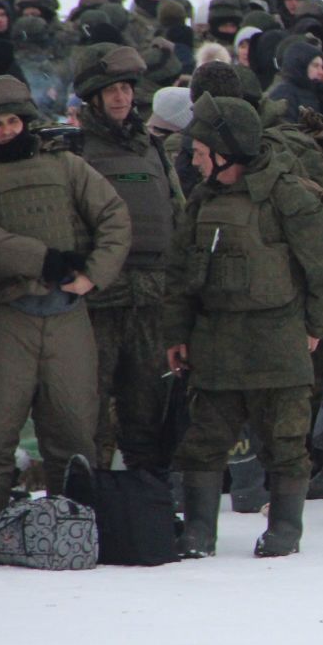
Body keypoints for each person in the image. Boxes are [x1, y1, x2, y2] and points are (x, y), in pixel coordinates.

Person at [0, 76, 131, 548]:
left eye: (13, 121)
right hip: (5, 317)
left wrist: (93, 275)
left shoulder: (66, 166)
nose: (6, 131)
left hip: (67, 316)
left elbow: (114, 217)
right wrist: (42, 260)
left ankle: (78, 532)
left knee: (73, 435)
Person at [163, 96, 323, 558]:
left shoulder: (286, 195)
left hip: (278, 342)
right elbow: (181, 275)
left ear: (228, 151)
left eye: (202, 150)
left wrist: (315, 327)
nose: (194, 158)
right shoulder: (202, 201)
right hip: (216, 343)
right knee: (203, 442)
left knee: (285, 442)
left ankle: (285, 529)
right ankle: (200, 532)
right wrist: (177, 335)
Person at [74, 47, 185, 472]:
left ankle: (147, 501)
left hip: (152, 296)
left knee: (148, 409)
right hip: (98, 300)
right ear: (94, 98)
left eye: (125, 89)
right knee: (92, 409)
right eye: (110, 91)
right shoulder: (75, 149)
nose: (120, 98)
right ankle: (93, 502)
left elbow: (177, 210)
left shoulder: (151, 149)